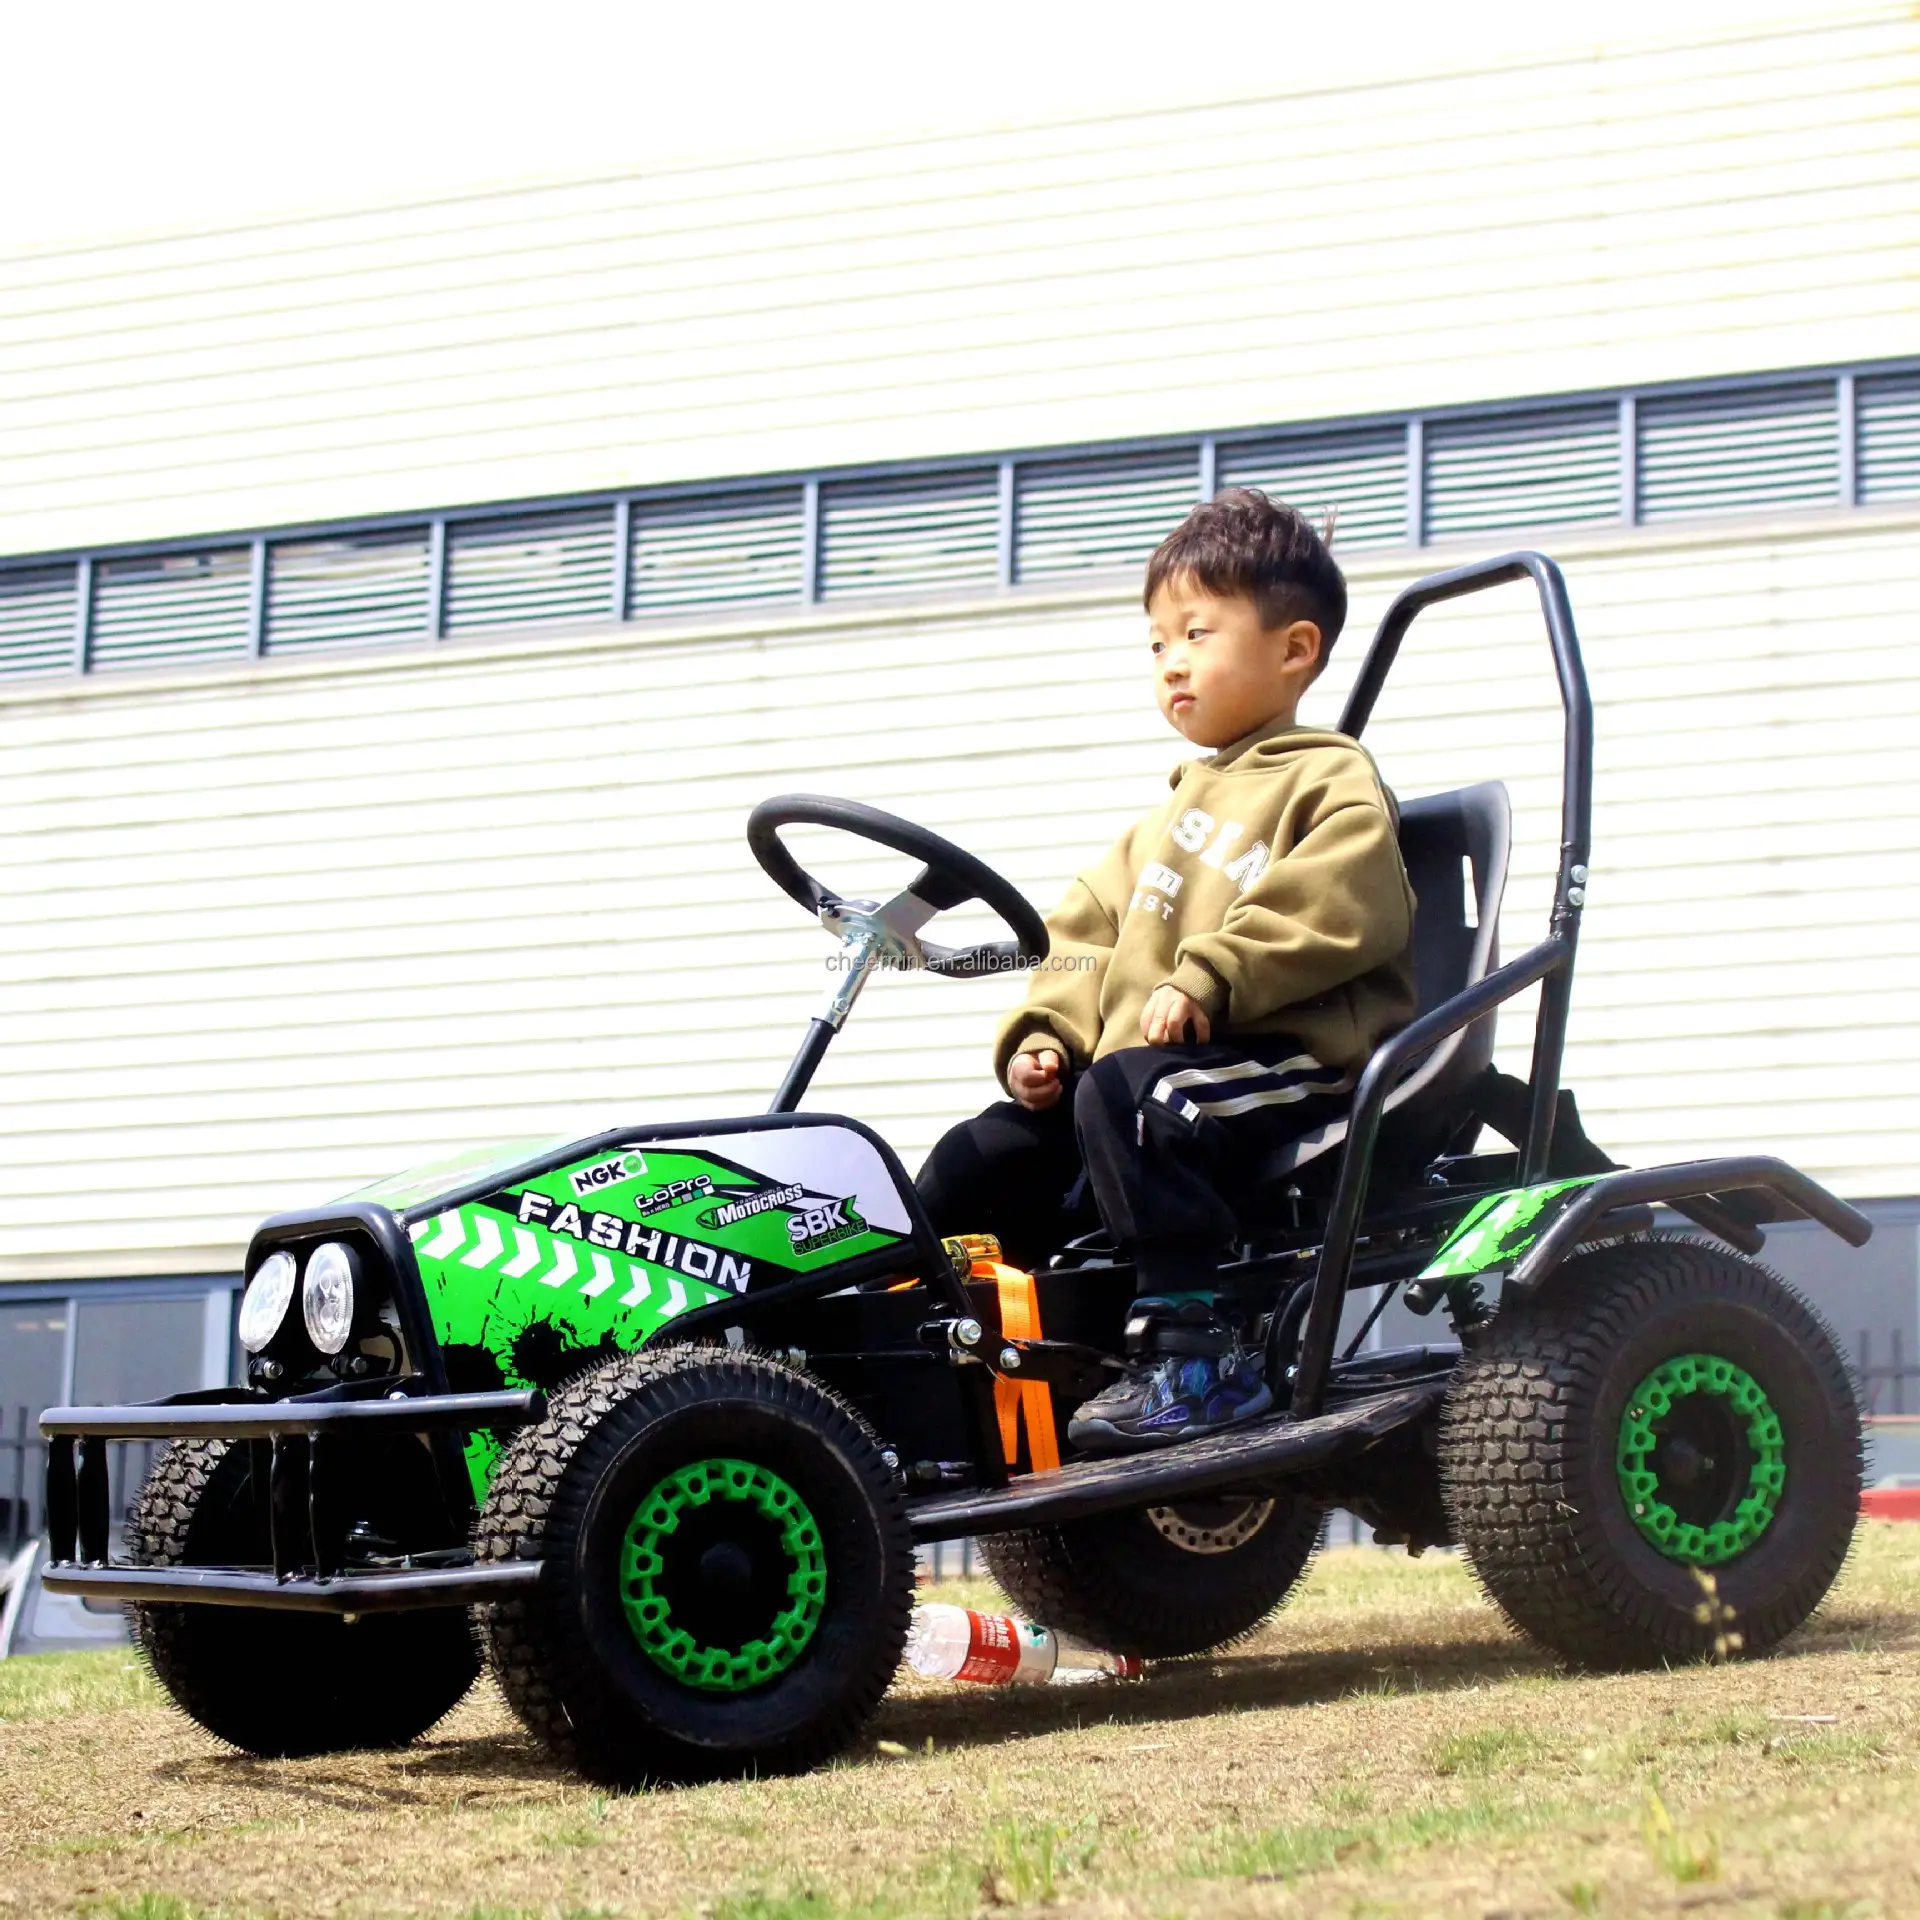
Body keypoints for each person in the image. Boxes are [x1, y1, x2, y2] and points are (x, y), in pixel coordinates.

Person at [915, 488, 1417, 1451]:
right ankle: (920, 1330)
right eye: (1156, 644)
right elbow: (1081, 929)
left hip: (1288, 1061)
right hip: (1146, 1073)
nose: (1171, 662)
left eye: (1196, 632)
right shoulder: (1166, 816)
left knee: (1142, 1102)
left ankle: (1199, 1358)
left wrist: (1209, 977)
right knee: (991, 1147)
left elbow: (1344, 907)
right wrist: (1045, 1037)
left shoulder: (1331, 779)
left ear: (1294, 649)